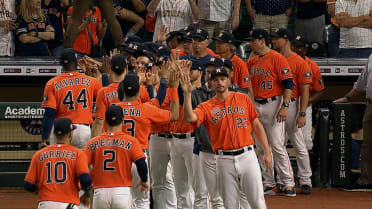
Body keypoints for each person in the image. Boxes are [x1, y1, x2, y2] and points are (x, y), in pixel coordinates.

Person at [181, 67, 272, 209]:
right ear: (211, 83)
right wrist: (187, 94)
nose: (220, 82)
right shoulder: (206, 106)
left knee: (257, 202)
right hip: (223, 160)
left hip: (247, 155)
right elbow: (189, 118)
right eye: (216, 80)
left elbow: (256, 125)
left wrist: (266, 151)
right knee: (230, 205)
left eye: (223, 79)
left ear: (229, 81)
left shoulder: (243, 98)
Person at [116, 72, 179, 209]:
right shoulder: (146, 109)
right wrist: (173, 88)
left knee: (120, 198)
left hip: (118, 157)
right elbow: (174, 115)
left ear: (122, 90)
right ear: (139, 91)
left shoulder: (114, 109)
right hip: (138, 157)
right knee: (142, 201)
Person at [245, 28, 296, 196]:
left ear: (262, 41)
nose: (250, 43)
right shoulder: (251, 61)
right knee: (260, 145)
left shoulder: (277, 58)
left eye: (253, 40)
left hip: (274, 104)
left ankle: (288, 182)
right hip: (256, 104)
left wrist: (285, 105)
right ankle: (269, 182)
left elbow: (289, 84)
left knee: (276, 144)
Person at [271, 28, 313, 194]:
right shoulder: (274, 58)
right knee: (278, 144)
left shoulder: (299, 62)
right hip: (277, 103)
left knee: (298, 143)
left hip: (293, 104)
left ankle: (305, 181)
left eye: (277, 38)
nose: (273, 41)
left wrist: (302, 114)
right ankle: (283, 180)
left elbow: (305, 91)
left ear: (286, 40)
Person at [85, 105, 149, 209]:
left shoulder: (93, 142)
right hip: (121, 192)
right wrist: (144, 179)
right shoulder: (131, 141)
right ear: (122, 120)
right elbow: (141, 163)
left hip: (100, 193)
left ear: (105, 121)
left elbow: (82, 167)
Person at [24, 117, 92, 209]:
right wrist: (87, 194)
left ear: (54, 133)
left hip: (45, 204)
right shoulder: (78, 154)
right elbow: (85, 179)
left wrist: (37, 190)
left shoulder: (39, 154)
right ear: (70, 133)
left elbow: (28, 185)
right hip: (67, 204)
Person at [41, 48, 102, 149]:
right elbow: (103, 101)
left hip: (61, 130)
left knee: (58, 163)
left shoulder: (52, 83)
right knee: (82, 163)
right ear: (77, 62)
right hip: (83, 130)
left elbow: (49, 114)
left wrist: (44, 138)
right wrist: (99, 77)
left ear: (61, 63)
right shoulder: (91, 81)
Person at [333, 53, 372, 191]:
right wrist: (347, 97)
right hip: (371, 104)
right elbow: (362, 82)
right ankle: (366, 181)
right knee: (368, 145)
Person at [292, 35, 325, 151]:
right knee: (281, 139)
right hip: (287, 105)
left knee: (306, 141)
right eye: (294, 46)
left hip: (304, 106)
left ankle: (308, 168)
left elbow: (319, 91)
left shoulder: (312, 66)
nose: (296, 49)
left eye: (299, 47)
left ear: (305, 50)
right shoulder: (285, 62)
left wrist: (307, 100)